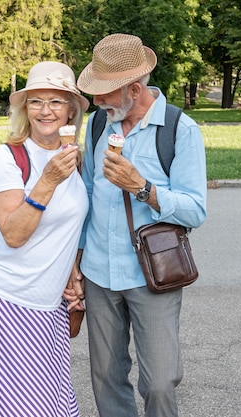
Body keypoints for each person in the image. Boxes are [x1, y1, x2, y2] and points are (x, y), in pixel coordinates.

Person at [71, 33, 207, 417]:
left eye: (103, 94)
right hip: (99, 271)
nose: (95, 102)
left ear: (134, 88)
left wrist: (143, 188)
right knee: (105, 376)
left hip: (153, 274)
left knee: (160, 382)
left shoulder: (179, 129)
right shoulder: (98, 124)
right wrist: (77, 262)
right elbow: (88, 197)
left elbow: (195, 210)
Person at [0, 61, 90, 417]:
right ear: (24, 109)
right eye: (36, 101)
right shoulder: (8, 158)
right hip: (5, 297)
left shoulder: (75, 157)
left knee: (47, 402)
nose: (46, 111)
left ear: (71, 110)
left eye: (56, 102)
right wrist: (46, 181)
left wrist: (74, 273)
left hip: (50, 305)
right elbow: (13, 234)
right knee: (14, 405)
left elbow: (71, 225)